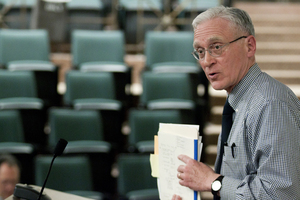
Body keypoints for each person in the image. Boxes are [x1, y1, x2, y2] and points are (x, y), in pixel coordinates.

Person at [172, 6, 300, 200]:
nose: (207, 61)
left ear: (249, 46)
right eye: (200, 51)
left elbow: (279, 195)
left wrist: (214, 182)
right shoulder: (238, 101)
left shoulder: (270, 104)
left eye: (216, 47)